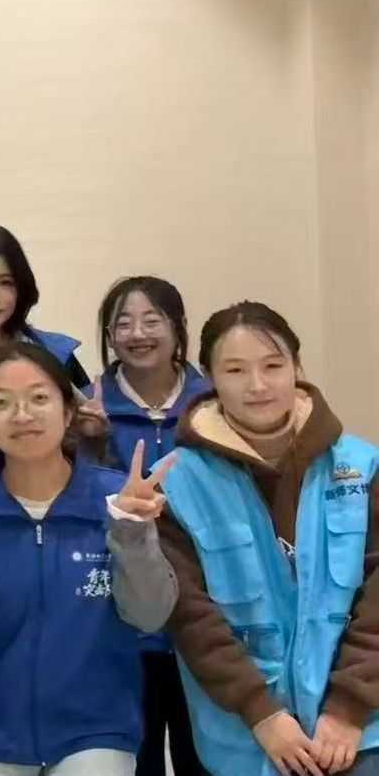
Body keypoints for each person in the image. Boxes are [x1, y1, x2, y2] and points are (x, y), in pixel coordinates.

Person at [0, 342, 179, 776]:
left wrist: (130, 530)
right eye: (2, 403)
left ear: (68, 410)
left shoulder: (117, 499)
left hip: (97, 728)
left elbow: (150, 616)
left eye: (39, 398)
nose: (22, 415)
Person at [157, 303, 379, 776]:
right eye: (235, 370)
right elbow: (191, 617)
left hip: (360, 730)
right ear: (209, 378)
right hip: (247, 737)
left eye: (273, 366)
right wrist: (262, 714)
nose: (257, 385)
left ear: (297, 367)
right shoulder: (174, 482)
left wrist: (349, 709)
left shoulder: (363, 467)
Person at [91, 276, 210, 776]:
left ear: (178, 327)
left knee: (204, 758)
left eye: (151, 320)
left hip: (204, 620)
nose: (137, 334)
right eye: (123, 323)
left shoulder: (212, 407)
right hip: (122, 623)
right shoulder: (88, 409)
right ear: (108, 336)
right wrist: (90, 441)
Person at [0, 226, 105, 454]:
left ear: (21, 289)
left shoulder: (56, 356)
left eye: (6, 283)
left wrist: (94, 436)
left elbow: (92, 450)